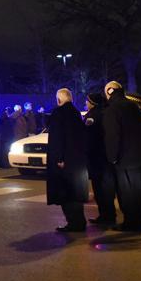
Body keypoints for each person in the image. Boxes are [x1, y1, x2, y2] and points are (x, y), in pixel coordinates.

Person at [102, 81, 141, 232]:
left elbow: (112, 136)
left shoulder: (112, 109)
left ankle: (131, 223)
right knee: (136, 191)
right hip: (136, 155)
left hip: (122, 158)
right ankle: (137, 220)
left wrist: (112, 157)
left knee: (126, 193)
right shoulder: (132, 105)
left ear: (110, 91)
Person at [46, 88, 89, 232]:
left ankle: (73, 223)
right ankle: (79, 221)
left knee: (66, 194)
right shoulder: (76, 113)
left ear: (59, 99)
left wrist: (59, 158)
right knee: (75, 193)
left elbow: (57, 138)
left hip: (64, 161)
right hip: (77, 161)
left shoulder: (58, 114)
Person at [84, 93, 111, 225]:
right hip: (106, 156)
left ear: (92, 103)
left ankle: (105, 216)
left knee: (99, 189)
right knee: (107, 188)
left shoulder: (92, 116)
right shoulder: (107, 112)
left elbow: (88, 137)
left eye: (87, 101)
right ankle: (109, 214)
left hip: (96, 157)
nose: (86, 103)